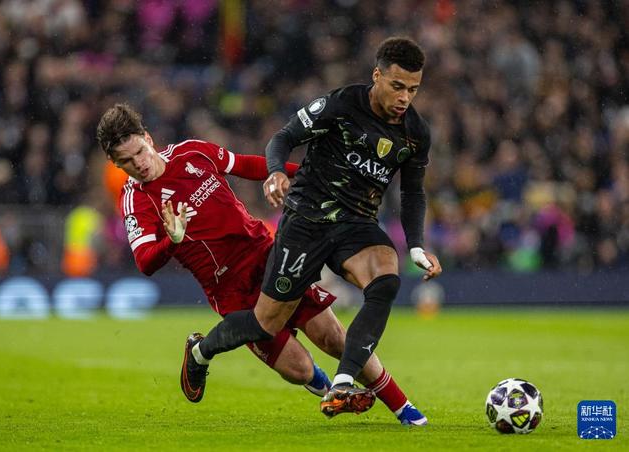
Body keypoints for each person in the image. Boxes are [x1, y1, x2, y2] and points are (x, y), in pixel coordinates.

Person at [96, 103, 425, 425]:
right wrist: (173, 240)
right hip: (229, 287)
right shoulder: (135, 201)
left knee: (333, 337)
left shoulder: (192, 153)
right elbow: (145, 262)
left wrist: (304, 174)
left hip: (267, 255)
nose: (138, 164)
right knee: (299, 370)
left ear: (149, 138)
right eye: (126, 161)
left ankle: (406, 411)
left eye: (139, 152)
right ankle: (324, 388)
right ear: (114, 163)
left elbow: (245, 166)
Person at [185, 36, 441, 421]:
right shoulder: (340, 104)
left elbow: (413, 192)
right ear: (377, 76)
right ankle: (201, 352)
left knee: (386, 279)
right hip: (306, 221)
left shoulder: (415, 133)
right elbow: (283, 138)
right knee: (265, 323)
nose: (405, 97)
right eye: (397, 86)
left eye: (413, 89)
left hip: (355, 224)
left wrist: (417, 246)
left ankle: (343, 382)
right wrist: (275, 172)